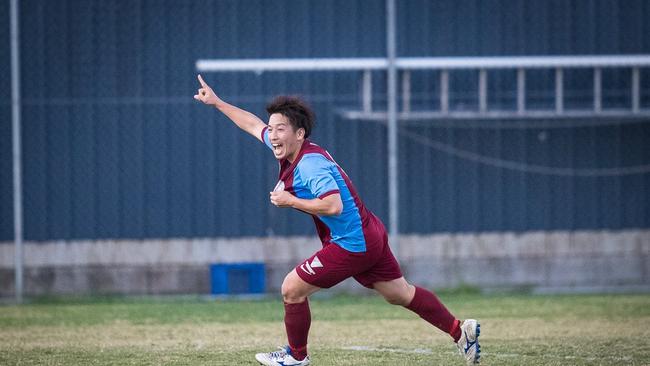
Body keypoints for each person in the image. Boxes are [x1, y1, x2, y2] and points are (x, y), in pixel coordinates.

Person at [193, 74, 480, 366]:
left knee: (291, 289)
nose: (273, 135)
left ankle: (296, 356)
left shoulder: (310, 165)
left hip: (352, 241)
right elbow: (252, 124)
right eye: (273, 129)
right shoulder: (291, 148)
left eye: (281, 129)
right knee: (399, 294)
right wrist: (217, 103)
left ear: (300, 134)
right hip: (370, 233)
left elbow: (334, 206)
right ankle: (461, 332)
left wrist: (290, 200)